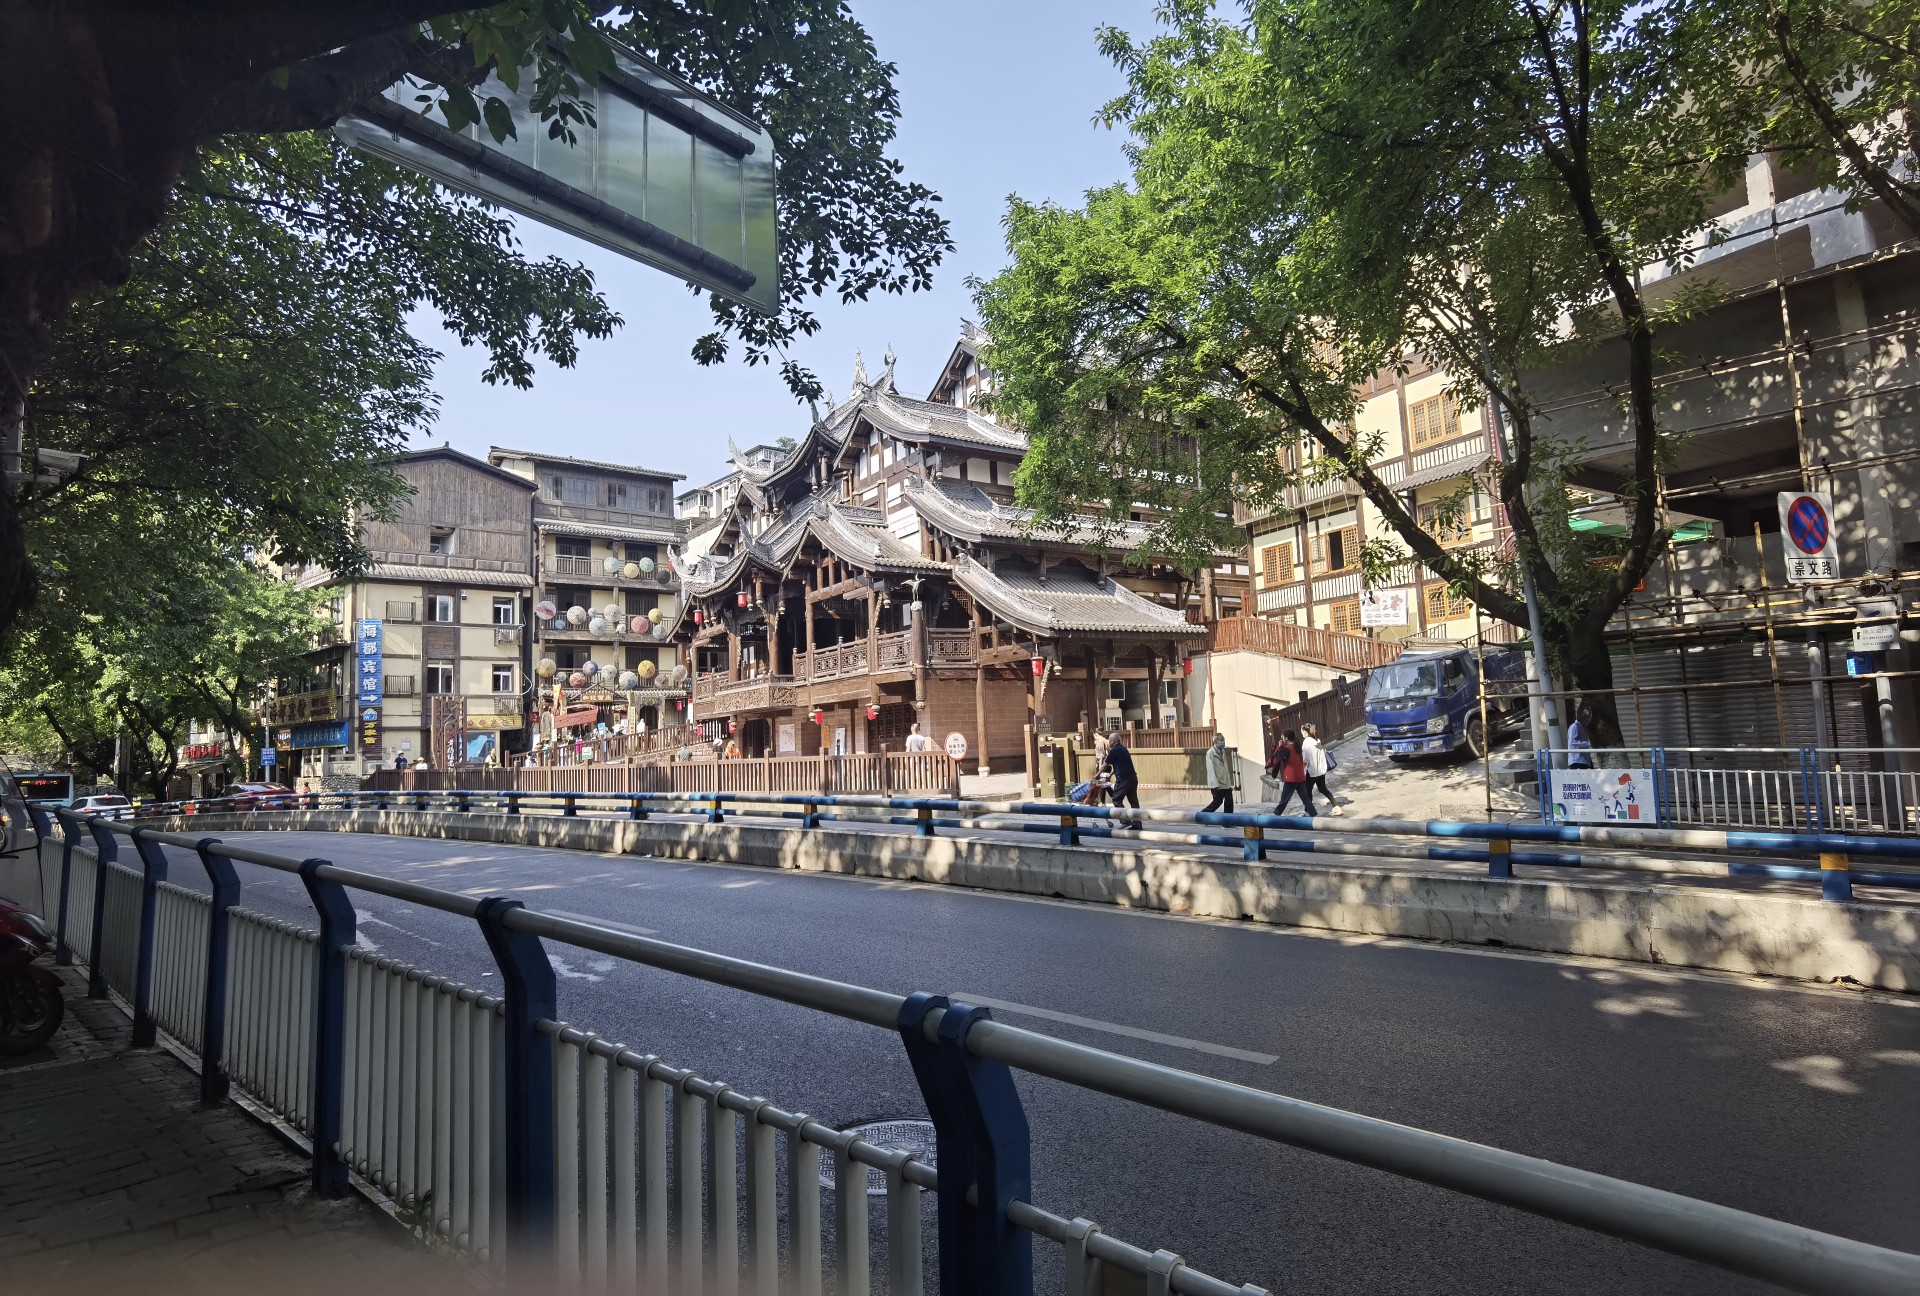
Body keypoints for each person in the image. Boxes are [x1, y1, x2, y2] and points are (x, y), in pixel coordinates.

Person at [1268, 728, 1316, 817]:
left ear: (1286, 738)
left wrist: (1279, 747)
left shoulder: (1286, 749)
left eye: (1283, 736)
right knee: (1305, 798)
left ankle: (1276, 815)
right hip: (1301, 777)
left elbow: (1277, 758)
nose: (1281, 737)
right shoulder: (1298, 747)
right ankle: (1313, 814)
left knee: (1284, 799)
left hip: (1291, 778)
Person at [1301, 722, 1343, 816]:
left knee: (1308, 791)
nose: (1302, 733)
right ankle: (1336, 806)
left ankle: (1308, 811)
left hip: (1312, 771)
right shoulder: (1317, 740)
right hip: (1321, 770)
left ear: (1305, 732)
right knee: (1322, 788)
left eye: (1302, 731)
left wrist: (1301, 770)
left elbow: (1305, 759)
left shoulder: (1306, 743)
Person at [1102, 730, 1140, 809]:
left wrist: (1096, 775)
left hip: (1123, 779)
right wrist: (1110, 775)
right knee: (1133, 801)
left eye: (1109, 740)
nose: (1109, 743)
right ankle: (1137, 817)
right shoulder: (1124, 749)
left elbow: (1105, 765)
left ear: (1113, 741)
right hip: (1132, 778)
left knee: (1116, 799)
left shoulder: (1114, 751)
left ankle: (1124, 817)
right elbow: (1120, 765)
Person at [1202, 733, 1235, 813]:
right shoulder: (1210, 753)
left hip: (1226, 783)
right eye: (1221, 741)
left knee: (1229, 802)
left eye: (1223, 740)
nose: (1223, 743)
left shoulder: (1223, 751)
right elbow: (1211, 770)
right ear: (1215, 742)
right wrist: (1215, 784)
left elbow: (1225, 767)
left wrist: (1228, 781)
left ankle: (1228, 819)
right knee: (1217, 802)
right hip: (1217, 784)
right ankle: (1202, 815)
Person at [1567, 702, 1595, 769]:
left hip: (1585, 760)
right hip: (1577, 760)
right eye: (1586, 717)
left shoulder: (1583, 727)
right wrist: (1588, 744)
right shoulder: (1575, 727)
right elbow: (1572, 742)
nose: (1588, 719)